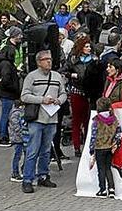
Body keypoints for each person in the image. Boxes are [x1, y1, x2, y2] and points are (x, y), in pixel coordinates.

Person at [20, 50, 67, 193]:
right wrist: (41, 100)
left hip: (52, 118)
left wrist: (59, 100)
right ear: (39, 62)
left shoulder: (57, 76)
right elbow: (24, 96)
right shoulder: (31, 77)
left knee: (46, 150)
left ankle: (43, 175)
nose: (49, 62)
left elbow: (63, 93)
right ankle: (27, 179)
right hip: (37, 118)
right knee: (32, 150)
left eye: (50, 59)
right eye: (46, 59)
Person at [62, 36, 103, 156]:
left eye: (89, 46)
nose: (89, 48)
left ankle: (86, 144)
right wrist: (73, 75)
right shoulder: (73, 59)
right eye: (86, 46)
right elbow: (64, 70)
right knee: (76, 120)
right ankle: (76, 147)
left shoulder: (94, 59)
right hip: (77, 91)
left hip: (90, 93)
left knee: (88, 120)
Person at [0, 29, 22, 147]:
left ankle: (5, 135)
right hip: (7, 93)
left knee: (6, 114)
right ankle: (3, 137)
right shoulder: (6, 64)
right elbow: (6, 80)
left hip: (5, 92)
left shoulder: (3, 62)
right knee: (6, 114)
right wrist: (15, 88)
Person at [88, 97, 121, 198]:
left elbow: (93, 136)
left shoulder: (96, 120)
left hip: (99, 148)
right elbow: (119, 133)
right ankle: (111, 189)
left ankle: (102, 189)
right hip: (110, 147)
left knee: (101, 169)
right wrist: (116, 143)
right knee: (108, 169)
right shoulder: (114, 119)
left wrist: (91, 150)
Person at [7, 101, 28, 182]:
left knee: (26, 154)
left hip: (21, 138)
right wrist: (22, 134)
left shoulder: (19, 112)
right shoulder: (15, 114)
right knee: (17, 155)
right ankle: (15, 173)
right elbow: (16, 127)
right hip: (17, 139)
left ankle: (24, 169)